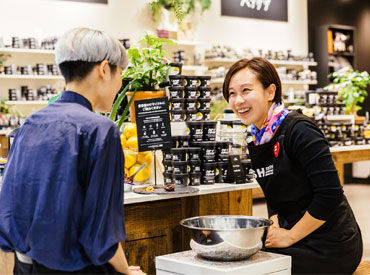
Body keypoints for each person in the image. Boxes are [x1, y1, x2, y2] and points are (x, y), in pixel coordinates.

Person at [0, 27, 144, 275]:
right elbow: (102, 233)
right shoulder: (101, 130)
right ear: (103, 69)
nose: (121, 84)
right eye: (121, 73)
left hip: (27, 268)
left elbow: (9, 213)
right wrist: (126, 271)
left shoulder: (29, 124)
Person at [223, 57, 363, 274]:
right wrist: (274, 224)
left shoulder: (300, 130)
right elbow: (274, 193)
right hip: (294, 236)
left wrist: (290, 236)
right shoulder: (258, 138)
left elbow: (330, 194)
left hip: (331, 245)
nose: (238, 100)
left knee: (247, 265)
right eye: (232, 93)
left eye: (246, 90)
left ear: (270, 92)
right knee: (232, 251)